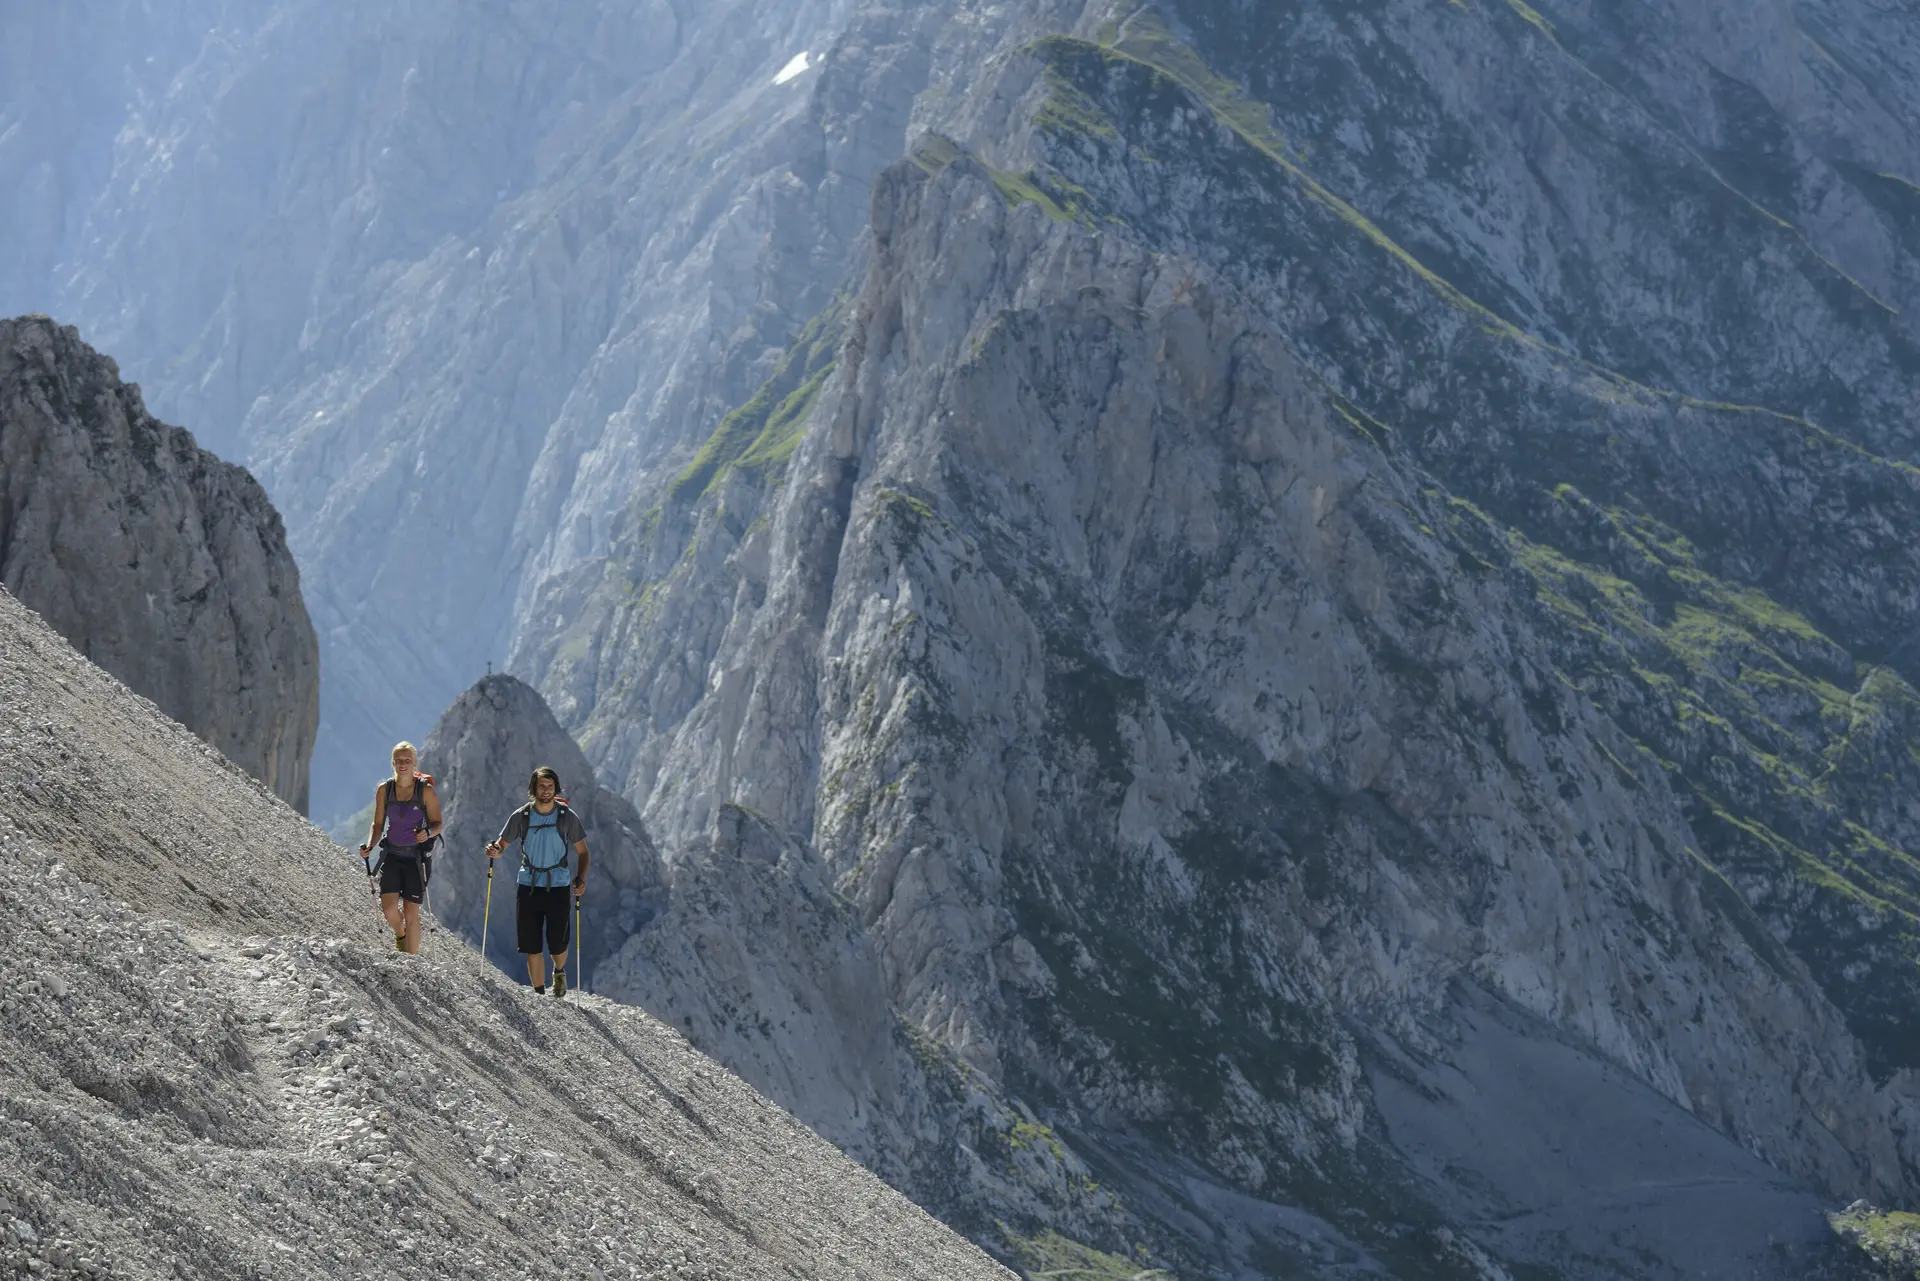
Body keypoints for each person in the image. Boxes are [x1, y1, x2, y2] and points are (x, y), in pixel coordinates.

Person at [486, 766, 590, 995]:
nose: (546, 790)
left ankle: (559, 971)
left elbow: (583, 852)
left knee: (558, 942)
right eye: (542, 786)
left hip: (559, 885)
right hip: (528, 885)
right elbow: (502, 845)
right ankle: (539, 993)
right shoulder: (522, 816)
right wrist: (495, 851)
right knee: (530, 943)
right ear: (533, 789)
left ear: (556, 788)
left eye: (550, 786)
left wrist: (580, 879)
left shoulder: (566, 817)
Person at [356, 741, 442, 954]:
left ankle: (412, 964)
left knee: (412, 914)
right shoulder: (385, 790)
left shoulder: (426, 791)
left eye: (407, 760)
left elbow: (438, 823)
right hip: (392, 855)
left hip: (416, 858)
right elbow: (377, 824)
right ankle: (401, 935)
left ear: (414, 763)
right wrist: (370, 844)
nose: (402, 764)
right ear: (392, 762)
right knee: (389, 910)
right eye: (398, 760)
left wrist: (427, 833)